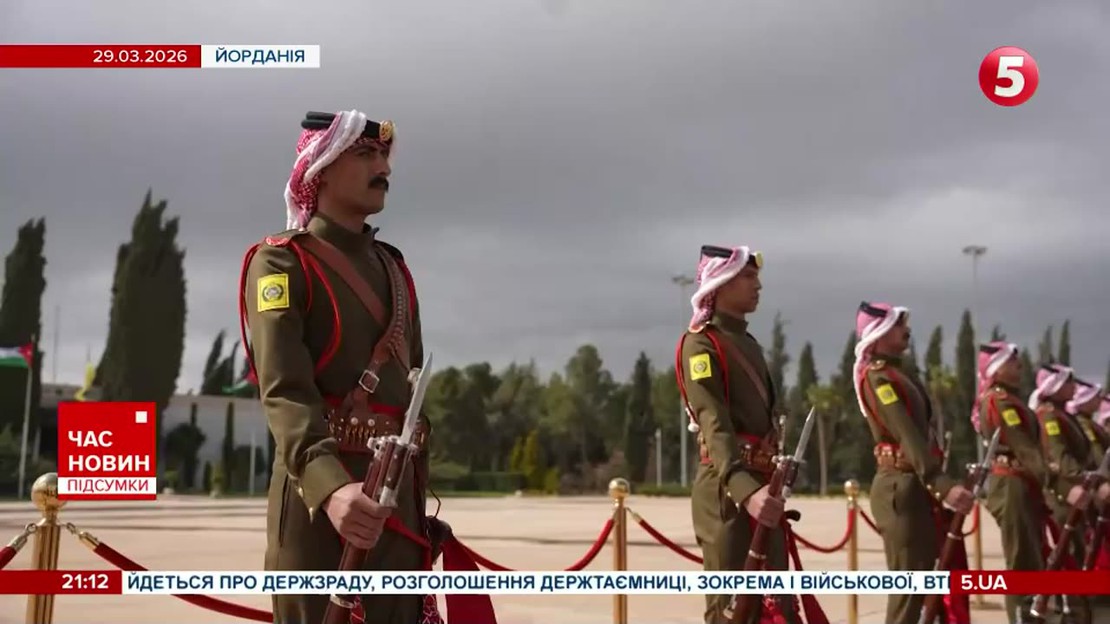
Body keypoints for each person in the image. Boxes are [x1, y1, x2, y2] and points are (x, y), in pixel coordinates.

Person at [239, 110, 442, 624]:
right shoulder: (282, 263)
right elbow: (284, 392)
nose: (383, 168)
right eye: (365, 154)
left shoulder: (394, 269)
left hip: (396, 504)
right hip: (320, 510)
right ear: (321, 167)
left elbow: (409, 390)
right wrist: (330, 489)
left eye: (385, 157)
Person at [674, 245, 805, 624]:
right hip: (727, 490)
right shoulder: (701, 344)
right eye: (748, 277)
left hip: (763, 485)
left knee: (776, 607)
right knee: (733, 613)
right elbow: (713, 422)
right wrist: (744, 490)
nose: (757, 285)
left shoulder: (746, 342)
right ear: (720, 282)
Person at [851, 302, 973, 624]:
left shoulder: (899, 375)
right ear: (878, 333)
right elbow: (906, 433)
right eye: (898, 325)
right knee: (909, 592)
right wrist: (941, 484)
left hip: (915, 485)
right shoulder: (878, 378)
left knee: (926, 588)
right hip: (900, 487)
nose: (906, 331)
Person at [971, 342, 1051, 623]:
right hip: (1011, 485)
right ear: (997, 369)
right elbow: (1023, 447)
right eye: (1012, 362)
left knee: (1031, 560)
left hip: (1021, 484)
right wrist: (1055, 482)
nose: (1019, 366)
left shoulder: (1010, 400)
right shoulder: (1000, 402)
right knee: (1021, 563)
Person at [1029, 363, 1097, 624]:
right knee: (1065, 554)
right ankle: (1068, 611)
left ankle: (1076, 609)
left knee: (1076, 551)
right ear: (1055, 386)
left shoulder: (1062, 414)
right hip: (1062, 495)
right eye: (1068, 382)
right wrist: (1084, 478)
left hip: (1075, 491)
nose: (1073, 387)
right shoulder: (1049, 417)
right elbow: (1060, 456)